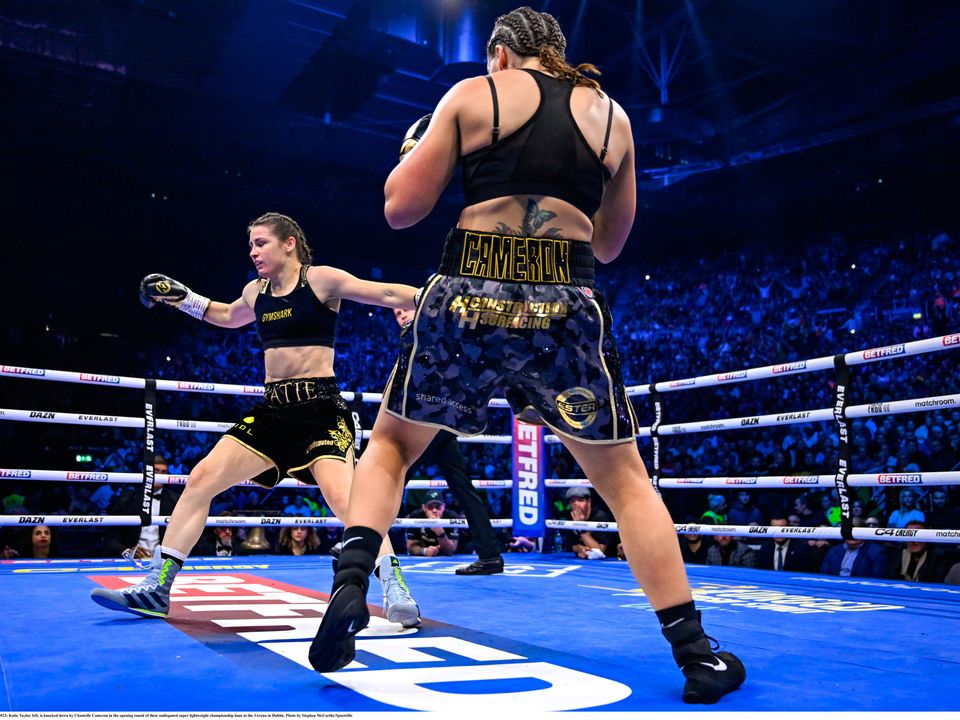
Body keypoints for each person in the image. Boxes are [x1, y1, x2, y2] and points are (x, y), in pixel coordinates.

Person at [309, 8, 745, 703]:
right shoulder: (615, 118)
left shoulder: (473, 94)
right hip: (564, 298)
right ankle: (695, 653)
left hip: (466, 289)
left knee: (391, 443)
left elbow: (400, 209)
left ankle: (353, 585)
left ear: (501, 54)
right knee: (626, 481)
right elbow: (608, 245)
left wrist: (413, 148)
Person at [90, 212, 422, 627]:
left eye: (261, 243)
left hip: (320, 410)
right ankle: (158, 587)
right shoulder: (255, 291)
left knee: (349, 500)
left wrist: (439, 299)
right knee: (201, 478)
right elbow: (226, 315)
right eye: (251, 245)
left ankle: (395, 587)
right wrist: (181, 296)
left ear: (289, 244)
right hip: (272, 412)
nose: (252, 252)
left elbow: (387, 292)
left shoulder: (320, 280)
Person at [396, 305, 505, 574]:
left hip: (432, 418)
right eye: (396, 315)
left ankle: (358, 540)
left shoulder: (429, 331)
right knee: (461, 487)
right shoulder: (422, 334)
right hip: (436, 419)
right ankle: (490, 554)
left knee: (394, 476)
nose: (401, 317)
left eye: (405, 311)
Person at [562, 487, 619, 559]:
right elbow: (573, 545)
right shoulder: (571, 516)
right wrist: (581, 549)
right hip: (585, 559)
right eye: (572, 501)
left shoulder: (601, 517)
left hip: (610, 559)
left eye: (580, 500)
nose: (576, 504)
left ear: (589, 502)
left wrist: (581, 527)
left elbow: (600, 551)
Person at [820, 519, 888, 578]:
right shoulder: (834, 551)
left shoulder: (876, 552)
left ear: (864, 533)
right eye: (849, 531)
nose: (851, 535)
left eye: (855, 531)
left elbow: (876, 580)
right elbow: (824, 574)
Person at [405, 490, 460, 557]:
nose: (434, 510)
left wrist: (441, 534)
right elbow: (411, 547)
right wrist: (424, 551)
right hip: (423, 556)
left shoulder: (452, 518)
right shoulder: (415, 517)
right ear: (424, 508)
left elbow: (451, 550)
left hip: (448, 558)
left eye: (438, 507)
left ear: (444, 507)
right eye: (430, 507)